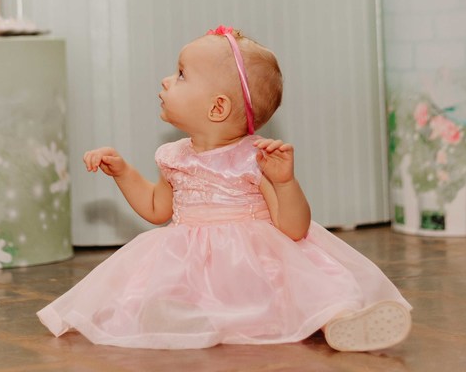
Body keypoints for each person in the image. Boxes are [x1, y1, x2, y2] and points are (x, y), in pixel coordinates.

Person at [37, 26, 412, 351]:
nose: (166, 80)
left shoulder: (255, 158)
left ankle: (341, 324)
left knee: (312, 291)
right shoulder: (173, 156)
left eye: (181, 75)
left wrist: (284, 182)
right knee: (159, 295)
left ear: (217, 108)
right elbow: (156, 208)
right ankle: (192, 320)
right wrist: (122, 172)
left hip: (257, 262)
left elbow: (294, 229)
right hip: (194, 260)